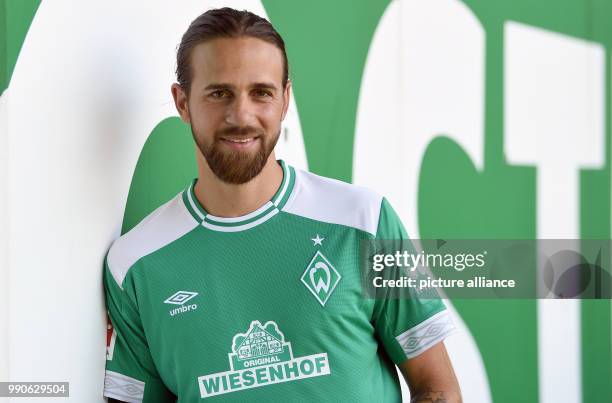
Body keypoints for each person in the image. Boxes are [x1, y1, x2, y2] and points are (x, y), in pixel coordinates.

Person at [103, 7, 461, 403]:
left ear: (285, 99)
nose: (242, 116)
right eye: (220, 93)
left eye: (261, 93)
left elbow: (437, 387)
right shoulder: (134, 264)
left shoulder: (365, 221)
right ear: (182, 102)